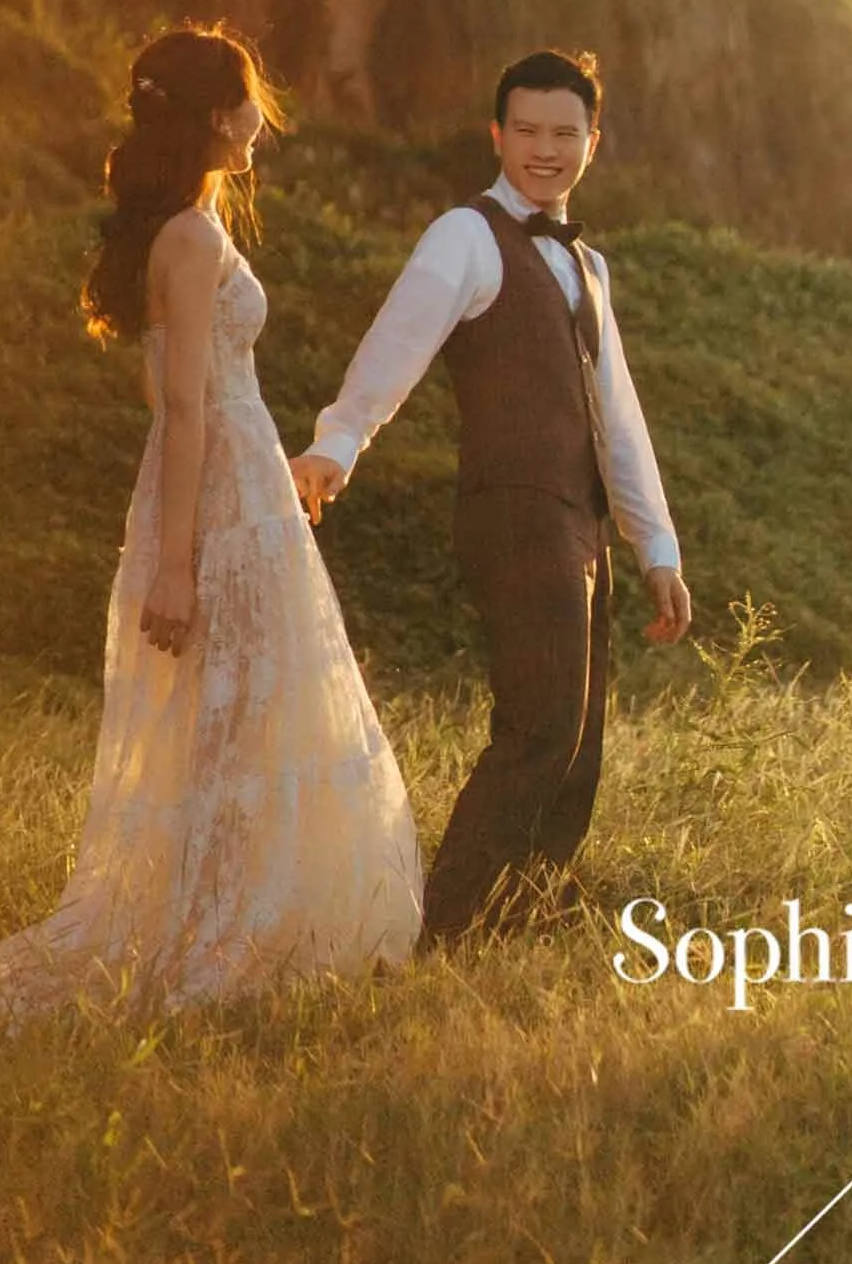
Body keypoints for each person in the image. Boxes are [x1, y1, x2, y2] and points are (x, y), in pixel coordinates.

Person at [0, 26, 423, 1021]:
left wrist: (240, 493)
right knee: (233, 714)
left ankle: (243, 917)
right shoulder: (189, 239)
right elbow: (185, 406)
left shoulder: (189, 225)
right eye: (242, 103)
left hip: (236, 481)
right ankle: (223, 931)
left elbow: (197, 402)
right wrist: (179, 565)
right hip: (217, 491)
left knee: (241, 711)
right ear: (203, 116)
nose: (255, 120)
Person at [292, 46, 692, 946]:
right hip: (515, 510)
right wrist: (337, 442)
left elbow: (617, 415)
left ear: (594, 141)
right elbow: (396, 344)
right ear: (497, 134)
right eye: (526, 131)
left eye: (565, 132)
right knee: (539, 728)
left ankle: (520, 932)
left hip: (581, 524)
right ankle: (441, 937)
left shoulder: (589, 266)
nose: (544, 149)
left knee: (579, 744)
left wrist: (655, 550)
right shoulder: (465, 235)